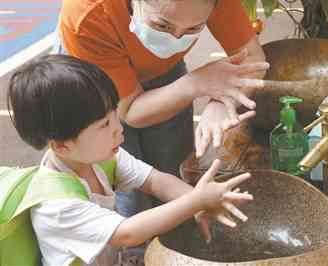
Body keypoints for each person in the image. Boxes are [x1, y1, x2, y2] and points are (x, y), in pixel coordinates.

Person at [6, 54, 254, 266]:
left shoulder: (96, 156)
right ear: (61, 145)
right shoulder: (57, 206)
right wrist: (195, 201)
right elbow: (128, 234)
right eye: (104, 124)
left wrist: (198, 204)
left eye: (114, 114)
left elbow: (156, 181)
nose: (118, 129)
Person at [55, 0, 268, 177]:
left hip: (164, 72)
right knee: (122, 179)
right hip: (95, 74)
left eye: (193, 28)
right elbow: (130, 111)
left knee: (174, 165)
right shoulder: (88, 16)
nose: (175, 39)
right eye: (162, 26)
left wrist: (221, 102)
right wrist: (197, 83)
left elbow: (254, 60)